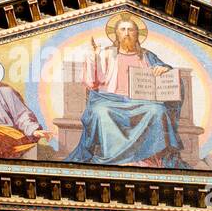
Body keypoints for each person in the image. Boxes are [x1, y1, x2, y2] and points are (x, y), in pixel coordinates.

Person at [65, 15, 188, 168]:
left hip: (141, 102)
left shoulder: (147, 56)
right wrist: (92, 57)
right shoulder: (106, 54)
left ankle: (149, 157)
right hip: (110, 100)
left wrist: (164, 69)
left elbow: (170, 74)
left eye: (131, 30)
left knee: (158, 110)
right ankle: (112, 158)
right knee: (100, 111)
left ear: (137, 34)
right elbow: (91, 82)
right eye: (122, 29)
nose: (127, 33)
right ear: (116, 33)